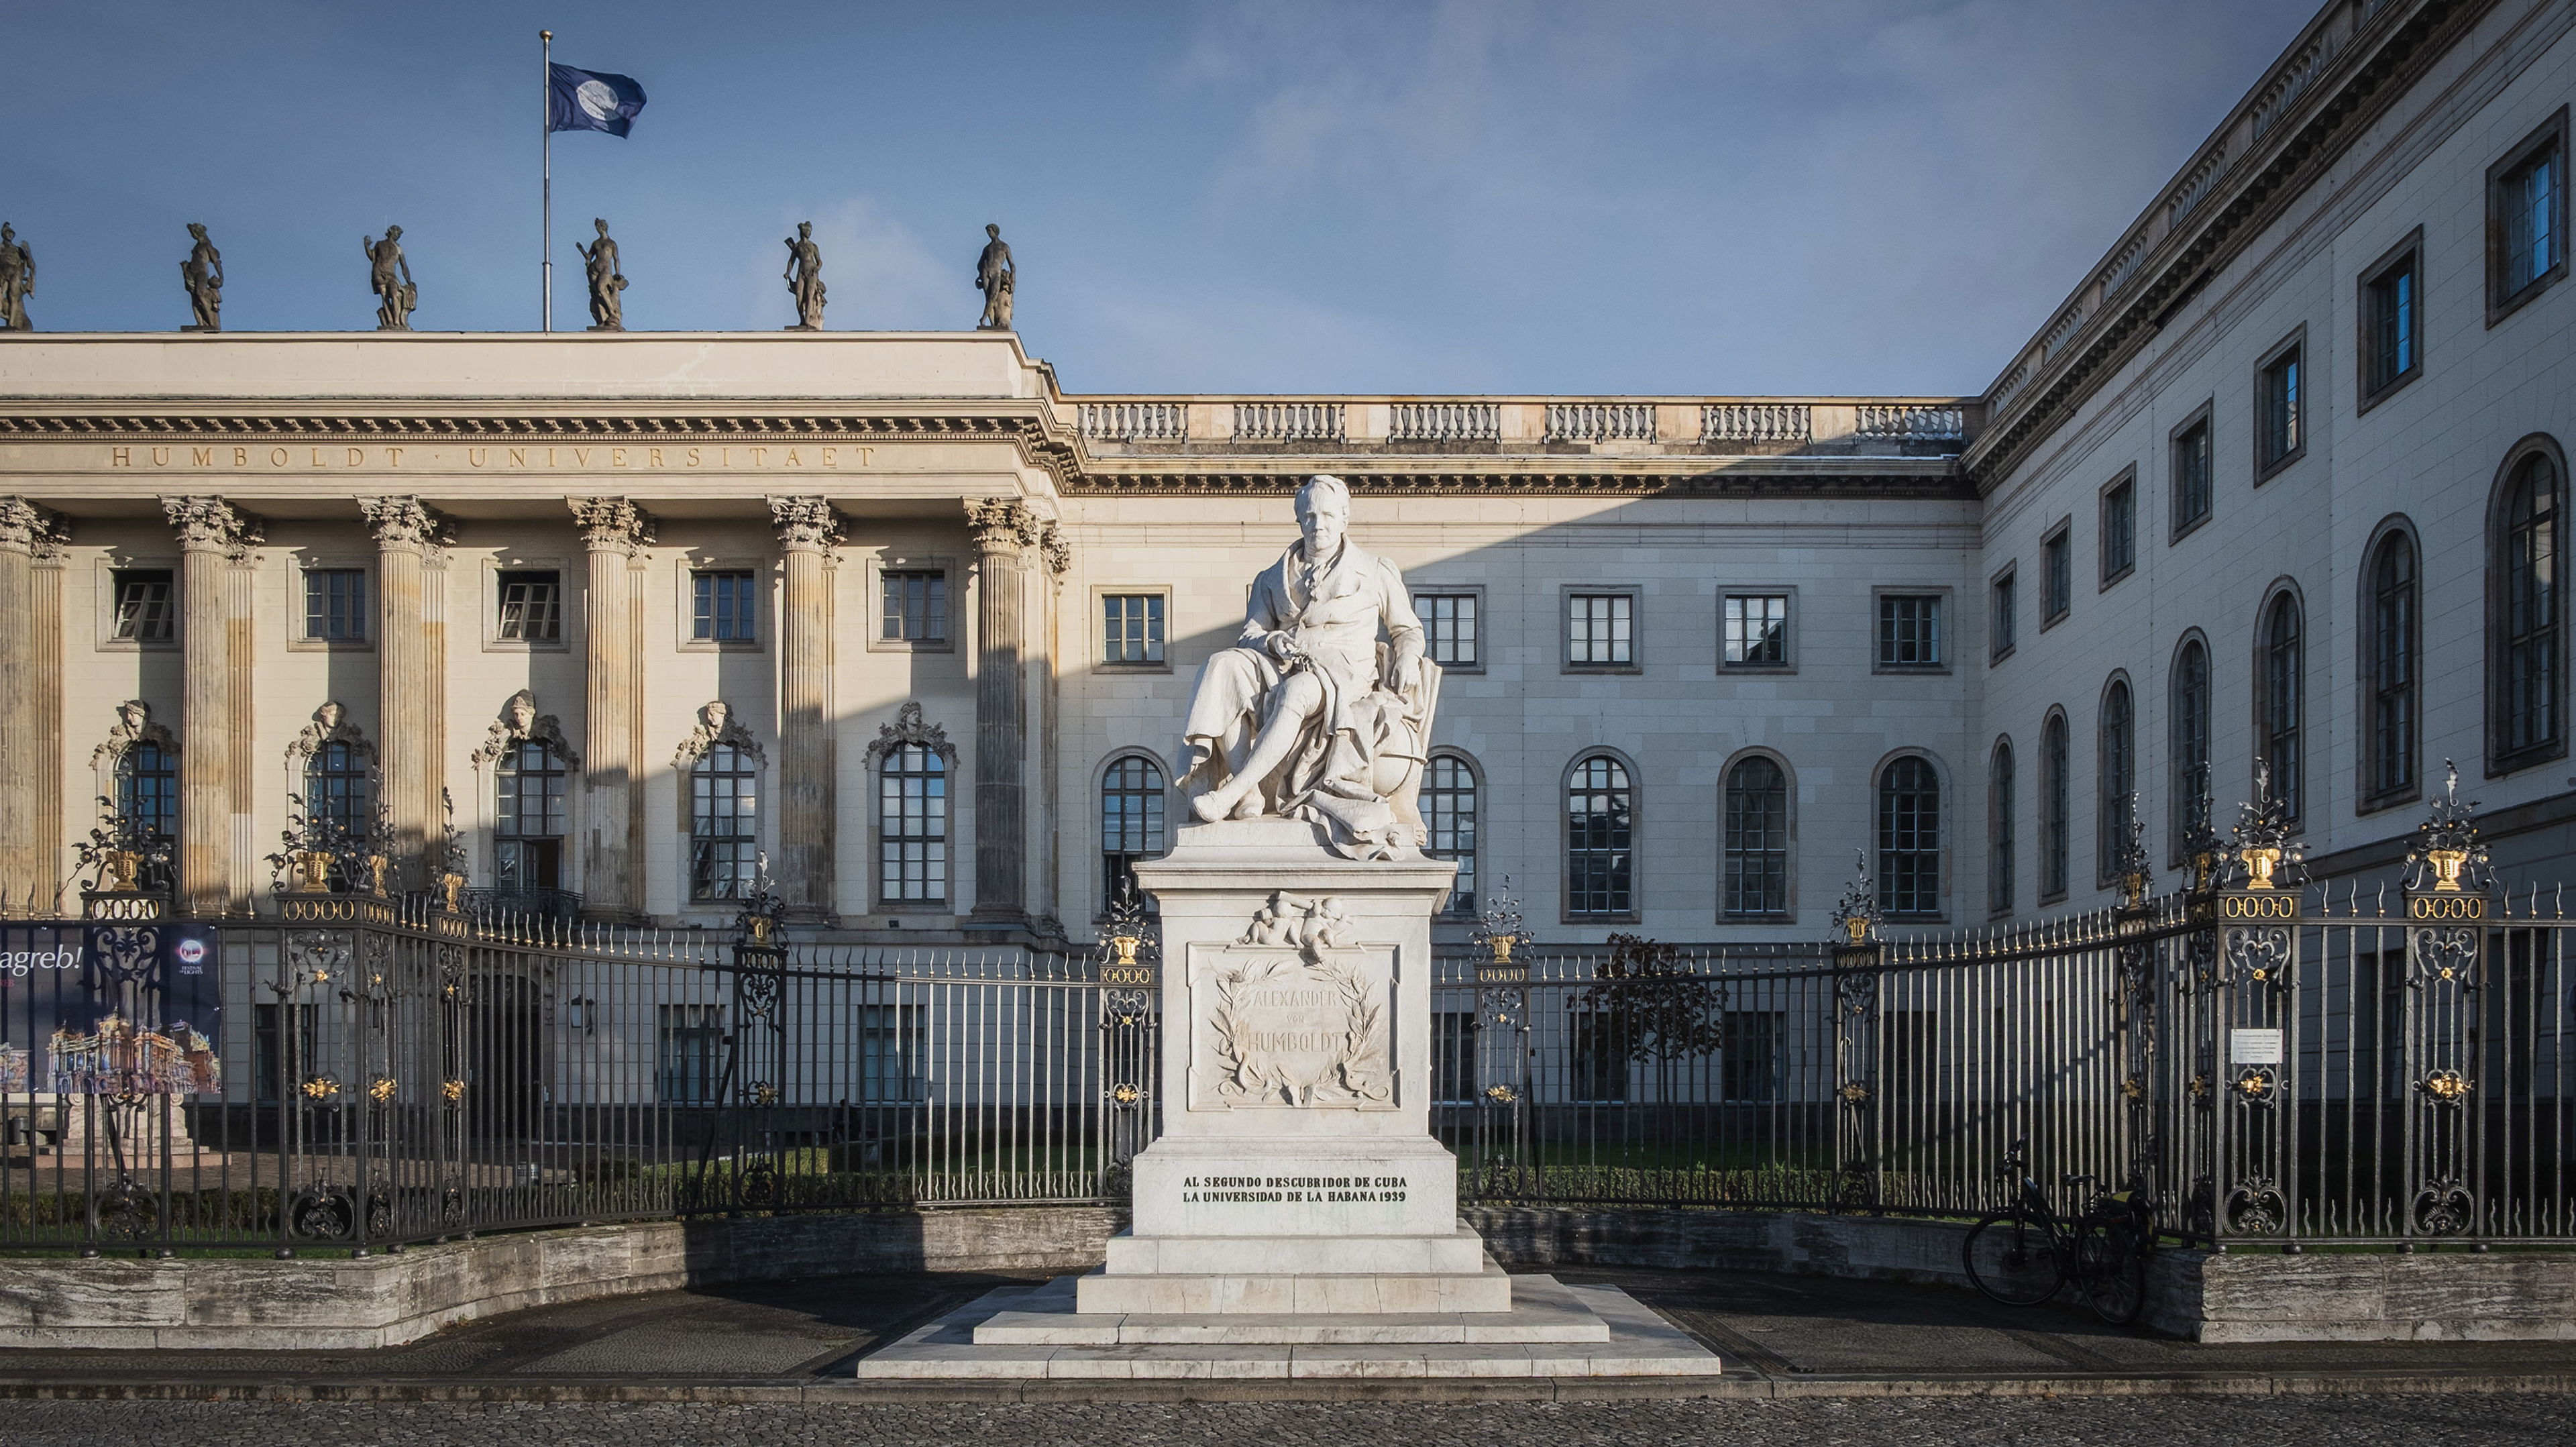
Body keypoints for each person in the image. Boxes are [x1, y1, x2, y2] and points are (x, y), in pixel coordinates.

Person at [1179, 475, 1437, 859]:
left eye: (1329, 515)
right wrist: (1270, 640)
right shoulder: (1272, 578)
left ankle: (1230, 793)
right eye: (1311, 515)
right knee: (1222, 668)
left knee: (1298, 691)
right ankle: (1248, 788)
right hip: (1285, 663)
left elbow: (1407, 630)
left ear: (1345, 518)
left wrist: (1410, 660)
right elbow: (1250, 631)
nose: (1320, 524)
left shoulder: (1376, 570)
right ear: (1299, 519)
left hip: (1344, 673)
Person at [576, 219, 625, 331]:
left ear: (603, 227)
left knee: (601, 288)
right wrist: (581, 250)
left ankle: (612, 313)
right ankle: (603, 320)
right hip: (594, 269)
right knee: (596, 294)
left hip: (606, 270)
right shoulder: (596, 243)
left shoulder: (612, 243)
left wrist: (618, 273)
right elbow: (589, 257)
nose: (597, 229)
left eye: (598, 226)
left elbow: (616, 259)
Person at [362, 225, 414, 331]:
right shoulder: (380, 244)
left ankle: (396, 321)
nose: (398, 236)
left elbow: (404, 267)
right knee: (385, 296)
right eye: (397, 233)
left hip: (391, 275)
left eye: (399, 234)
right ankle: (390, 322)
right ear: (391, 232)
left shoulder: (398, 248)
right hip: (379, 273)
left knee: (395, 295)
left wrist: (409, 281)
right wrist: (366, 246)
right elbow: (373, 256)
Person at [782, 222, 825, 329]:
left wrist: (817, 268)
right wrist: (788, 272)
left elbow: (819, 262)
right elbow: (791, 261)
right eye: (807, 231)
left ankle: (807, 320)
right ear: (802, 232)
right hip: (801, 272)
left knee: (810, 295)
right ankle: (802, 319)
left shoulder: (813, 246)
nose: (809, 233)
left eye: (810, 231)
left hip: (811, 272)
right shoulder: (797, 246)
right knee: (799, 297)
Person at [975, 223, 1014, 329]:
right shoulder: (987, 248)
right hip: (986, 272)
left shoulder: (1004, 247)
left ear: (995, 232)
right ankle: (992, 324)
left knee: (993, 297)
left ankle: (983, 318)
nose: (989, 233)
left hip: (997, 273)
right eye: (987, 231)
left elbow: (1012, 265)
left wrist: (1013, 279)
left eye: (990, 231)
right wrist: (980, 275)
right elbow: (980, 263)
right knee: (989, 298)